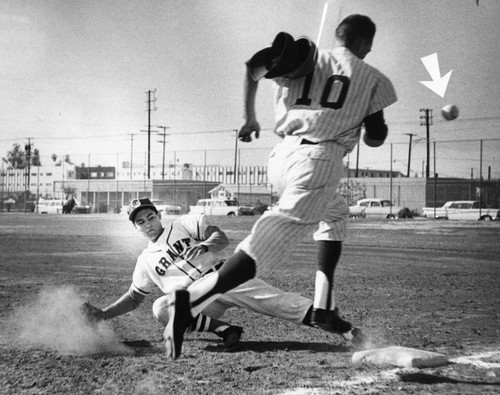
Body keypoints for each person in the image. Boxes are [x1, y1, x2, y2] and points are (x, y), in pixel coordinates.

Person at [163, 14, 397, 360]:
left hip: (281, 157)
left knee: (333, 212)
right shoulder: (372, 77)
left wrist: (250, 118)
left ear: (338, 36)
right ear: (364, 44)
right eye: (368, 46)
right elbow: (376, 138)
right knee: (266, 244)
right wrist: (366, 121)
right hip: (319, 160)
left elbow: (252, 67)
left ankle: (323, 307)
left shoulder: (302, 57)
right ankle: (191, 300)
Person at [82, 198, 356, 351]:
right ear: (136, 228)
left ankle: (348, 331)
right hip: (200, 299)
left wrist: (205, 244)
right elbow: (134, 297)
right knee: (161, 308)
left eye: (150, 217)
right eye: (140, 222)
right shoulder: (144, 261)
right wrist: (104, 314)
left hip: (225, 276)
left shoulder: (184, 224)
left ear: (158, 215)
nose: (147, 224)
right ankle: (227, 331)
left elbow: (220, 236)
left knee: (282, 303)